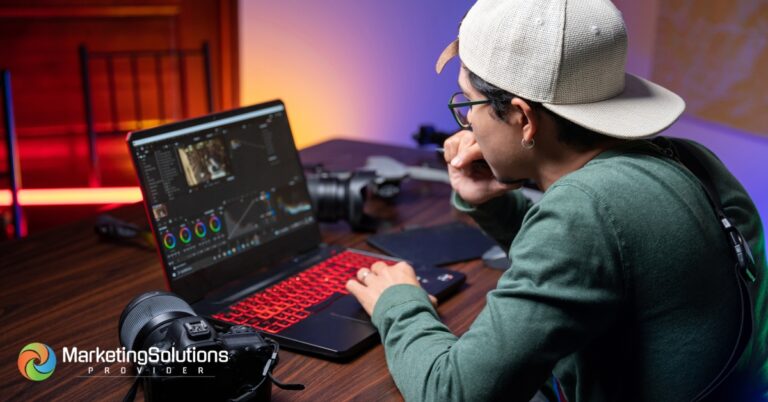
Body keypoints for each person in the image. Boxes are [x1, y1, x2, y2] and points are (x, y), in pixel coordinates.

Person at [345, 0, 768, 401]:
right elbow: (595, 266)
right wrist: (493, 204)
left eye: (469, 103)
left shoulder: (585, 212)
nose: (467, 120)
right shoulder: (689, 159)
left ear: (523, 118)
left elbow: (452, 392)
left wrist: (399, 303)